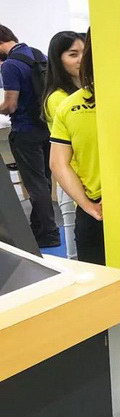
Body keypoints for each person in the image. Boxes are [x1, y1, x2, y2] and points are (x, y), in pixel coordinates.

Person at [0, 24, 60, 249]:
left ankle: (49, 234)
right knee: (43, 182)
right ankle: (39, 229)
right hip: (46, 127)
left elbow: (10, 105)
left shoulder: (10, 65)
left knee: (35, 186)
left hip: (25, 131)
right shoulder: (37, 54)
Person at [50, 31, 104, 264]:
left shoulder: (69, 105)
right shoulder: (63, 102)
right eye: (73, 54)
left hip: (93, 204)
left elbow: (57, 163)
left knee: (100, 277)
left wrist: (87, 205)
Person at [42, 31, 85, 259]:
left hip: (88, 174)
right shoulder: (58, 98)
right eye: (73, 54)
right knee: (74, 247)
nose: (81, 59)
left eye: (84, 52)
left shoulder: (85, 91)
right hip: (72, 175)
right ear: (58, 60)